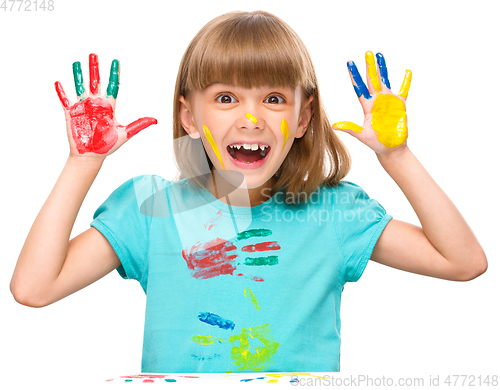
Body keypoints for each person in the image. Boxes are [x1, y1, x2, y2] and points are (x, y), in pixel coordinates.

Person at [10, 11, 487, 373]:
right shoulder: (149, 208)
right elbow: (34, 288)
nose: (251, 118)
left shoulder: (334, 211)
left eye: (274, 99)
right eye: (226, 98)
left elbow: (462, 262)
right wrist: (82, 163)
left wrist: (396, 156)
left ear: (303, 119)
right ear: (189, 117)